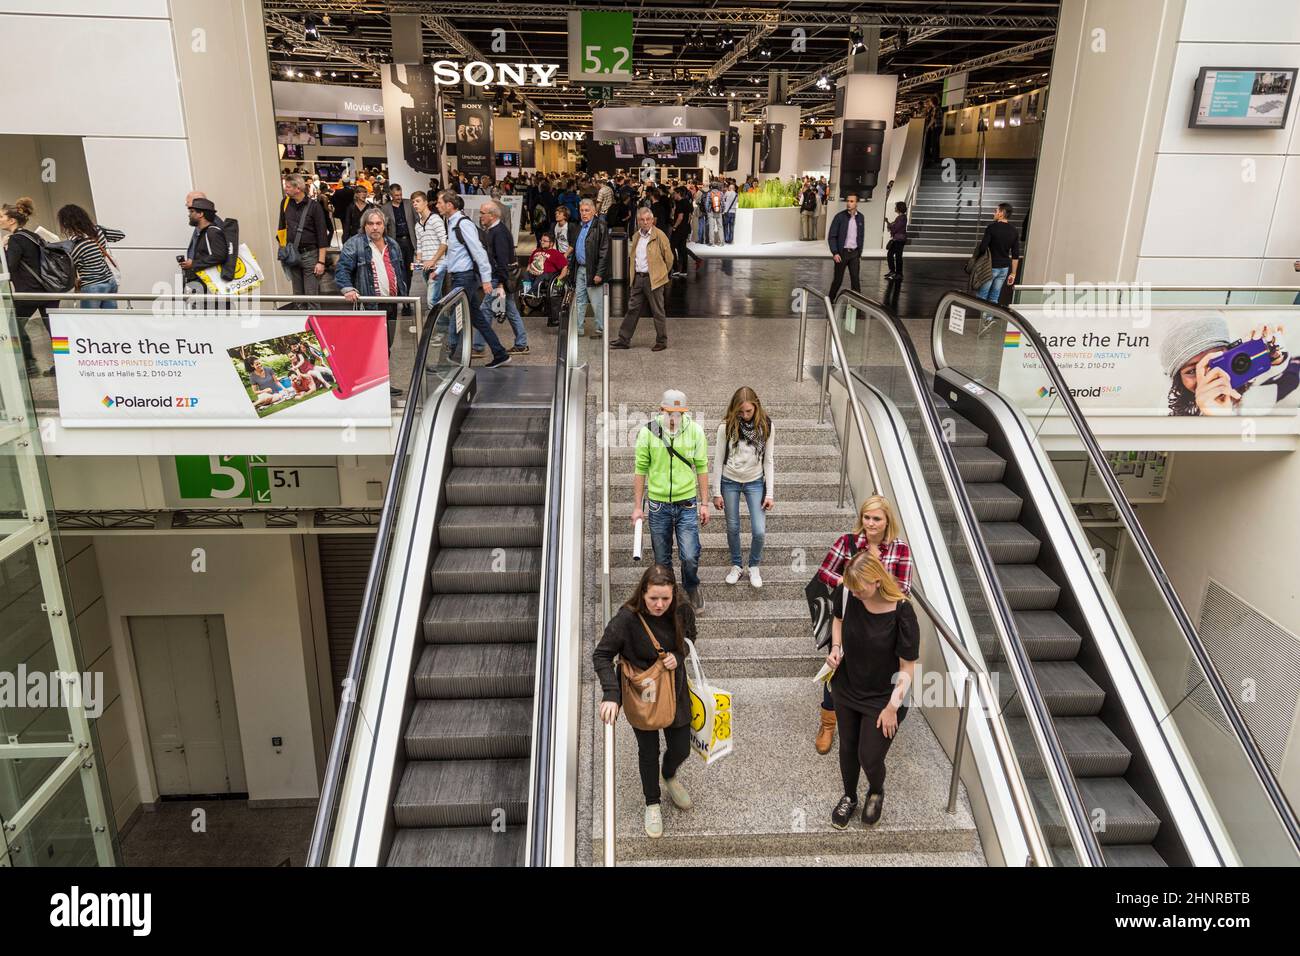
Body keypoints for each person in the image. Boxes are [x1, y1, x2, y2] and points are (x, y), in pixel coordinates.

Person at [592, 563, 699, 839]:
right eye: (654, 598)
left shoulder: (682, 609)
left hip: (674, 688)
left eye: (666, 598)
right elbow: (602, 655)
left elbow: (690, 638)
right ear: (643, 593)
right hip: (641, 692)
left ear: (674, 593)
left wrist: (680, 653)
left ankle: (669, 774)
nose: (660, 604)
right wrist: (611, 694)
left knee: (681, 747)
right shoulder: (626, 619)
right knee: (647, 751)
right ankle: (652, 802)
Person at [813, 494, 913, 755]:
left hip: (882, 621)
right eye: (866, 517)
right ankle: (828, 722)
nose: (870, 523)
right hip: (848, 616)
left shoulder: (899, 548)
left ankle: (870, 717)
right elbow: (824, 571)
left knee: (874, 670)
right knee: (835, 666)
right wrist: (849, 585)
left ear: (887, 520)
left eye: (876, 519)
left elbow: (904, 589)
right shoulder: (848, 542)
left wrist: (877, 592)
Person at [825, 550, 918, 829]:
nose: (854, 594)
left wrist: (892, 707)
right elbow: (838, 621)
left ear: (877, 580)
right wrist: (835, 648)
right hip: (848, 685)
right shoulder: (847, 594)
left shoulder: (902, 611)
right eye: (851, 588)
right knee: (848, 747)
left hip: (884, 697)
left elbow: (908, 667)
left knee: (870, 755)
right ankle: (849, 796)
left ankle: (876, 790)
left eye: (859, 588)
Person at [631, 389, 710, 610]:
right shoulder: (649, 432)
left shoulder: (695, 431)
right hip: (658, 504)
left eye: (679, 413)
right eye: (670, 412)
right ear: (661, 410)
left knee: (690, 555)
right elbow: (640, 470)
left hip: (686, 502)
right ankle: (670, 593)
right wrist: (638, 507)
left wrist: (704, 503)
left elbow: (702, 467)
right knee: (661, 558)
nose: (674, 418)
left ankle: (691, 585)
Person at [1160, 312, 1297, 416]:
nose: (1210, 375)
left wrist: (1275, 352)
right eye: (1191, 371)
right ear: (1178, 379)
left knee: (1292, 378)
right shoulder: (1170, 415)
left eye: (1216, 360)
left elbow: (1275, 367)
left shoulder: (1243, 376)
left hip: (1260, 394)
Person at [335, 208, 409, 397]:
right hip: (369, 305)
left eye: (379, 224)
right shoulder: (355, 244)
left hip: (391, 304)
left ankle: (382, 384)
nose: (375, 228)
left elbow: (400, 270)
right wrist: (348, 288)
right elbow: (342, 269)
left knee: (386, 347)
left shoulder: (392, 244)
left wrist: (404, 294)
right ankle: (365, 386)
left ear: (384, 225)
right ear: (364, 226)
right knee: (368, 347)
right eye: (371, 224)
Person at [434, 190, 510, 368]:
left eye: (439, 202)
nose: (436, 205)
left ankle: (450, 361)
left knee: (455, 317)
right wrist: (439, 269)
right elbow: (453, 253)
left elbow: (479, 253)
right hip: (460, 276)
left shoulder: (463, 224)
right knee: (477, 318)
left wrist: (485, 279)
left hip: (464, 278)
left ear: (449, 205)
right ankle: (500, 353)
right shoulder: (452, 223)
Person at [711, 387, 775, 590]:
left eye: (749, 411)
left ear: (756, 407)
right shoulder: (726, 427)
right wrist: (716, 492)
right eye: (741, 412)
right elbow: (717, 460)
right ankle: (737, 564)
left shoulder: (766, 426)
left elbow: (769, 461)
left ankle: (753, 565)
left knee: (759, 530)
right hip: (729, 480)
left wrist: (770, 493)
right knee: (733, 527)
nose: (745, 415)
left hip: (755, 481)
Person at [0, 198, 59, 375]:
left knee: (12, 326)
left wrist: (3, 248)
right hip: (48, 290)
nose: (0, 219)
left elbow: (9, 266)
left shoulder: (16, 239)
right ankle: (65, 363)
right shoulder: (34, 236)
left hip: (28, 293)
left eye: (1, 216)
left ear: (11, 220)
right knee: (54, 331)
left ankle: (27, 364)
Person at [611, 207, 673, 352]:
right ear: (638, 221)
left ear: (652, 220)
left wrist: (661, 274)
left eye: (648, 219)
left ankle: (661, 341)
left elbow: (669, 259)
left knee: (657, 311)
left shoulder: (659, 236)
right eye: (642, 220)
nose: (645, 222)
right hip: (638, 279)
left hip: (654, 279)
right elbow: (634, 258)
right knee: (632, 309)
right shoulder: (636, 236)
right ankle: (623, 339)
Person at [478, 199, 528, 355]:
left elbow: (502, 260)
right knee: (511, 310)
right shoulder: (496, 230)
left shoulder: (498, 232)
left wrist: (500, 284)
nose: (480, 216)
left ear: (492, 215)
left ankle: (477, 346)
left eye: (482, 213)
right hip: (502, 278)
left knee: (485, 309)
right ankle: (521, 343)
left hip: (499, 278)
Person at [56, 204, 125, 309]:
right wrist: (101, 231)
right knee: (110, 320)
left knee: (90, 321)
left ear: (66, 223)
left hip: (92, 286)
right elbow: (120, 235)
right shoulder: (98, 231)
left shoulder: (74, 243)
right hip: (110, 281)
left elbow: (69, 264)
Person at [277, 174, 329, 301]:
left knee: (312, 297)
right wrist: (283, 250)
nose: (286, 189)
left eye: (288, 187)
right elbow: (281, 228)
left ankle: (313, 320)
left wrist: (321, 262)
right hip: (292, 255)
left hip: (310, 255)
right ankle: (300, 320)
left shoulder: (314, 207)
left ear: (298, 188)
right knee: (298, 296)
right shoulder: (285, 203)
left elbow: (322, 235)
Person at [570, 198, 610, 338]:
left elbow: (604, 252)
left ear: (594, 211)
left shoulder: (600, 226)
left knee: (597, 302)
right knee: (579, 300)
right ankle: (578, 329)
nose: (584, 213)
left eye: (587, 210)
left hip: (593, 270)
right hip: (581, 269)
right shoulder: (579, 226)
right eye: (582, 210)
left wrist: (599, 273)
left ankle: (601, 330)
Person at [410, 190, 447, 330]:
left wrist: (433, 260)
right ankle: (446, 324)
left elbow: (444, 242)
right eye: (413, 202)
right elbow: (419, 245)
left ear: (426, 203)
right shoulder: (418, 224)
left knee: (432, 300)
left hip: (437, 266)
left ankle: (441, 328)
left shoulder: (436, 219)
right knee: (437, 298)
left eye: (418, 201)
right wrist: (419, 260)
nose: (415, 204)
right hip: (425, 267)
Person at [382, 184, 418, 316]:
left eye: (400, 194)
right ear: (391, 195)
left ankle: (406, 299)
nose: (399, 197)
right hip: (394, 243)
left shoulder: (409, 204)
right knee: (397, 271)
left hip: (409, 242)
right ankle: (400, 299)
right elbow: (384, 227)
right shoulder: (385, 208)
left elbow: (417, 220)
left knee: (409, 272)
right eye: (396, 195)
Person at [974, 202, 1020, 304]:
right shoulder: (1014, 231)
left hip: (990, 267)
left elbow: (982, 248)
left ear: (1001, 213)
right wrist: (1013, 273)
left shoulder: (991, 228)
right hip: (1004, 269)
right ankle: (989, 319)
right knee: (994, 297)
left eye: (995, 211)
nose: (993, 213)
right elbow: (1015, 254)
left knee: (982, 296)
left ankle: (983, 320)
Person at [181, 198, 228, 290]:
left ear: (201, 214)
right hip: (207, 287)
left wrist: (193, 263)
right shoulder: (203, 233)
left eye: (192, 211)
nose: (189, 215)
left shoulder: (212, 232)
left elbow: (219, 256)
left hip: (214, 289)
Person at [524, 232, 569, 327]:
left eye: (545, 241)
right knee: (525, 274)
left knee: (542, 276)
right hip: (533, 272)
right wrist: (528, 271)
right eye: (541, 240)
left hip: (548, 275)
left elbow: (565, 268)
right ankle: (527, 292)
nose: (542, 242)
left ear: (551, 243)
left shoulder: (555, 253)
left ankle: (532, 293)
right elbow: (529, 264)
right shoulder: (536, 251)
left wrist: (559, 279)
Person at [827, 192, 864, 300]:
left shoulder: (860, 217)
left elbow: (861, 236)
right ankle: (830, 300)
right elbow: (832, 236)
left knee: (855, 280)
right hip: (841, 254)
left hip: (854, 254)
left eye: (851, 201)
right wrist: (835, 252)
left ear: (856, 203)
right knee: (838, 280)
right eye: (847, 201)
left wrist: (859, 252)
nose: (848, 203)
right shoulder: (839, 217)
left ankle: (858, 304)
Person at [668, 186, 699, 278]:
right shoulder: (687, 202)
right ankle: (684, 270)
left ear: (679, 194)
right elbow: (689, 216)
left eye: (675, 193)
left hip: (679, 229)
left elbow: (680, 217)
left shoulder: (681, 203)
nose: (674, 195)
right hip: (685, 228)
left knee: (672, 247)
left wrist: (674, 227)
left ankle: (676, 269)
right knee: (682, 248)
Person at [885, 201, 908, 281]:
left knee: (896, 256)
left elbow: (895, 228)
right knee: (891, 255)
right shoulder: (901, 217)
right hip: (898, 239)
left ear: (899, 208)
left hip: (899, 240)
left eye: (896, 207)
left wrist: (891, 226)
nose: (895, 208)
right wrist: (889, 223)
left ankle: (898, 273)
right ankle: (894, 272)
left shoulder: (902, 218)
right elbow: (893, 226)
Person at [721, 179, 738, 245]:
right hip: (733, 212)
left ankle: (726, 239)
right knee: (731, 226)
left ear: (729, 188)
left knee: (725, 226)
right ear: (734, 189)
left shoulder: (727, 193)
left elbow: (723, 200)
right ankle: (730, 240)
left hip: (727, 212)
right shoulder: (736, 194)